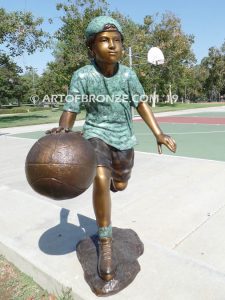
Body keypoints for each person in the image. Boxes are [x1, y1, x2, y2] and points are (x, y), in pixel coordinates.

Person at [47, 16, 176, 282]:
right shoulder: (82, 75)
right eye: (105, 41)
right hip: (96, 134)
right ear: (92, 48)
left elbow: (141, 104)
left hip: (124, 140)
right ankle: (105, 243)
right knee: (101, 178)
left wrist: (159, 133)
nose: (113, 46)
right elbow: (70, 110)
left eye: (117, 40)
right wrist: (63, 132)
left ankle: (115, 184)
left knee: (120, 183)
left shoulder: (128, 75)